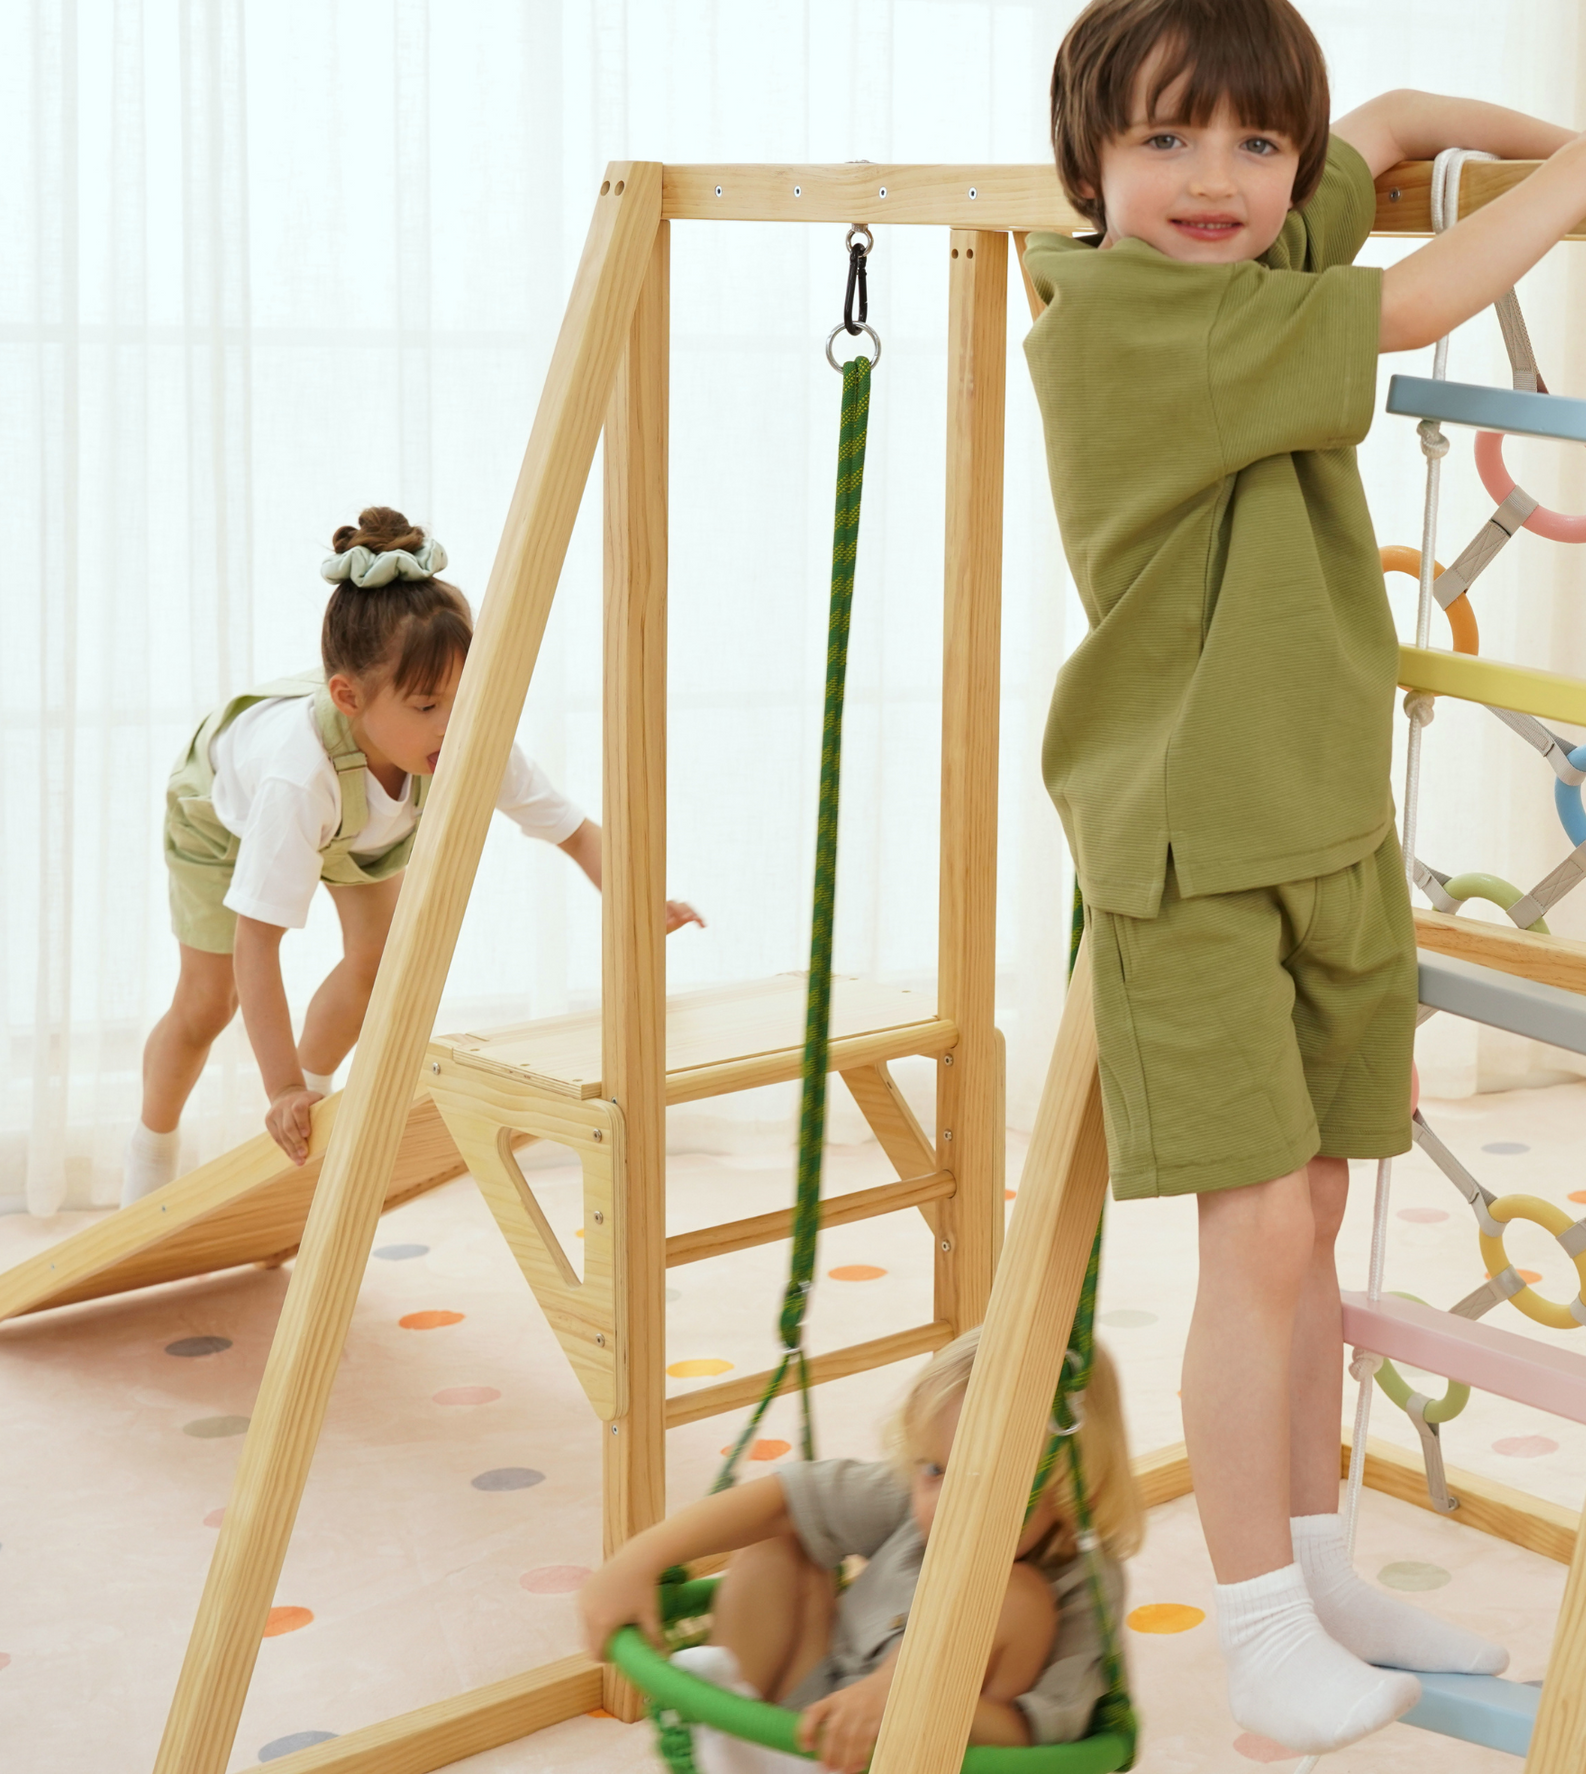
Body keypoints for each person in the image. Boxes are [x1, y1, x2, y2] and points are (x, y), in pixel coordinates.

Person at [1021, 0, 1586, 1755]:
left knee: (1316, 1211)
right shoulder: (1119, 313)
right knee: (1257, 1229)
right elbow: (1411, 299)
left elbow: (1394, 125)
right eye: (1165, 140)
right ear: (1087, 164)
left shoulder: (1252, 256)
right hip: (1190, 838)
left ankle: (1317, 1570)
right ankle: (1257, 1628)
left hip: (1321, 816)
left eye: (1256, 145)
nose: (1217, 179)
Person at [123, 505, 702, 1205]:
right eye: (428, 706)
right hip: (224, 814)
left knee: (380, 962)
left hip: (355, 814)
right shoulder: (297, 779)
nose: (454, 725)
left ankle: (308, 1114)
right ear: (349, 697)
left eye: (466, 697)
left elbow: (574, 832)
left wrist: (640, 901)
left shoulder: (461, 737)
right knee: (207, 1005)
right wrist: (275, 1088)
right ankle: (148, 1161)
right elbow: (258, 942)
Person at [578, 1327, 1142, 1774]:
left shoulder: (1086, 1583)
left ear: (1073, 1489)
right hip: (804, 1721)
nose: (947, 1502)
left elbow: (1036, 1734)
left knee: (1012, 1593)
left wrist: (906, 1700)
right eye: (934, 1469)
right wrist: (639, 1558)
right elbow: (787, 1500)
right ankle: (731, 1734)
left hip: (927, 1755)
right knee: (781, 1542)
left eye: (990, 1481)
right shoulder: (912, 1502)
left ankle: (779, 1741)